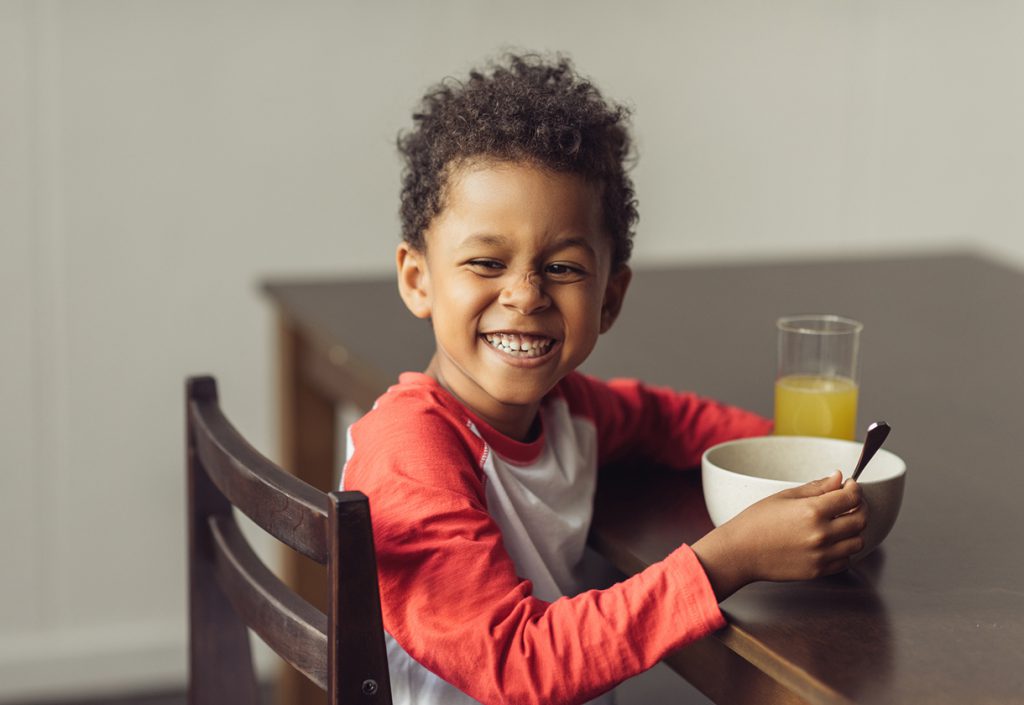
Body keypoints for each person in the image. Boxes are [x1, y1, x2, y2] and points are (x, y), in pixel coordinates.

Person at [341, 52, 867, 705]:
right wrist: (730, 557)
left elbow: (666, 421)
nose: (525, 294)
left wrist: (801, 466)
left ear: (610, 298)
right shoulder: (409, 456)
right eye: (485, 262)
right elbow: (517, 660)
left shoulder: (568, 411)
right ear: (419, 279)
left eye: (562, 268)